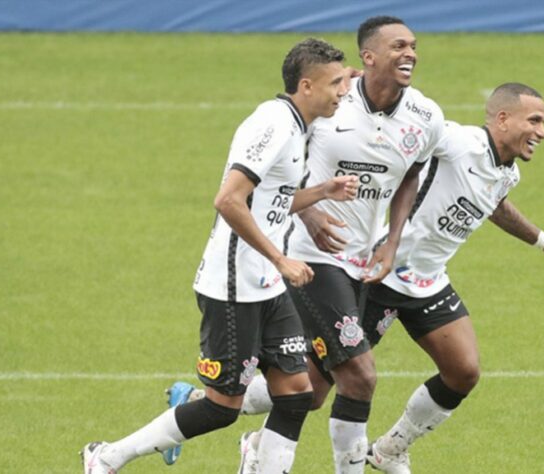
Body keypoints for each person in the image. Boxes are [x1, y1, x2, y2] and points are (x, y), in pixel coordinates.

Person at [167, 15, 445, 472]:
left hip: (364, 261)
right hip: (311, 258)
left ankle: (220, 419)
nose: (410, 53)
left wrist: (392, 242)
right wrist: (311, 212)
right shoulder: (329, 103)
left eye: (413, 45)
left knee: (309, 390)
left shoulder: (425, 115)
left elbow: (414, 172)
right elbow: (280, 168)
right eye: (398, 46)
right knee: (359, 376)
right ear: (368, 56)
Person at [80, 38, 357, 474]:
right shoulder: (274, 124)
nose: (344, 91)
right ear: (306, 86)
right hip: (234, 287)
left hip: (267, 285)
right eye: (336, 82)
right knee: (221, 407)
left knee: (297, 393)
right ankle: (107, 456)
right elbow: (229, 200)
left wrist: (322, 191)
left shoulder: (299, 125)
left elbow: (272, 200)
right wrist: (281, 259)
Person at [362, 82, 544, 473]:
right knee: (323, 381)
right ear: (503, 119)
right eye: (535, 121)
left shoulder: (509, 172)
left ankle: (390, 449)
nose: (543, 132)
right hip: (379, 274)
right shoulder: (456, 141)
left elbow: (496, 206)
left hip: (427, 282)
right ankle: (256, 432)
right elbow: (407, 141)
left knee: (463, 371)